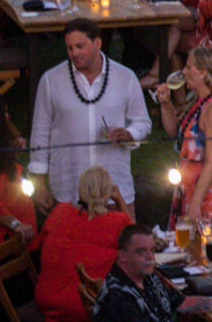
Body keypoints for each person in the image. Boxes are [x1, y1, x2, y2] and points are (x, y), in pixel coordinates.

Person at [27, 19, 152, 215]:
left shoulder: (125, 77)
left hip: (114, 187)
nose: (74, 53)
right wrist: (38, 182)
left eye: (80, 46)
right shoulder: (51, 80)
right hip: (68, 188)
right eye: (69, 48)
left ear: (98, 43)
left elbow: (143, 122)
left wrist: (129, 134)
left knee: (123, 241)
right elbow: (40, 132)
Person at [34, 165, 132, 322]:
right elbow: (141, 246)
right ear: (108, 191)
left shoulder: (60, 212)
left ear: (80, 189)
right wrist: (120, 200)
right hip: (88, 314)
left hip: (49, 303)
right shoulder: (118, 221)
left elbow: (42, 244)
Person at [154, 46, 212, 222]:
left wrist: (194, 206)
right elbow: (175, 133)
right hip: (189, 185)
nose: (183, 72)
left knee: (206, 244)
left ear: (203, 73)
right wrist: (166, 105)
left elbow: (211, 161)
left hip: (208, 190)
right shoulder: (199, 102)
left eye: (188, 67)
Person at [0, 93, 36, 246]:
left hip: (22, 237)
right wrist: (16, 224)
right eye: (5, 112)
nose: (8, 116)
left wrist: (12, 150)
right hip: (7, 242)